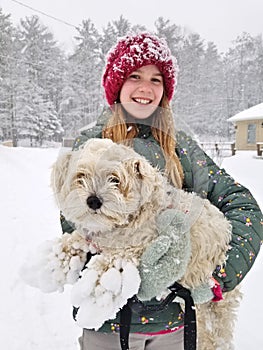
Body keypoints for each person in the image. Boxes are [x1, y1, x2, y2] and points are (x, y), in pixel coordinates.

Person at [60, 32, 263, 350]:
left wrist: (219, 276)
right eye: (135, 76)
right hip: (107, 321)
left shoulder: (181, 147)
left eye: (157, 79)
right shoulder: (89, 145)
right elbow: (75, 220)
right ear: (117, 84)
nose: (146, 88)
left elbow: (243, 207)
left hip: (175, 325)